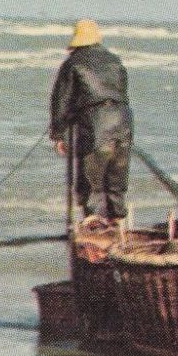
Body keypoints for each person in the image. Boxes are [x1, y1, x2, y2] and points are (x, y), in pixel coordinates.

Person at [49, 20, 133, 221]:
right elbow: (122, 93)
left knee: (90, 183)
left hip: (96, 124)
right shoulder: (115, 61)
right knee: (116, 183)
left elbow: (61, 100)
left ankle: (93, 225)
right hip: (124, 121)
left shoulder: (73, 63)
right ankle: (118, 224)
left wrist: (58, 134)